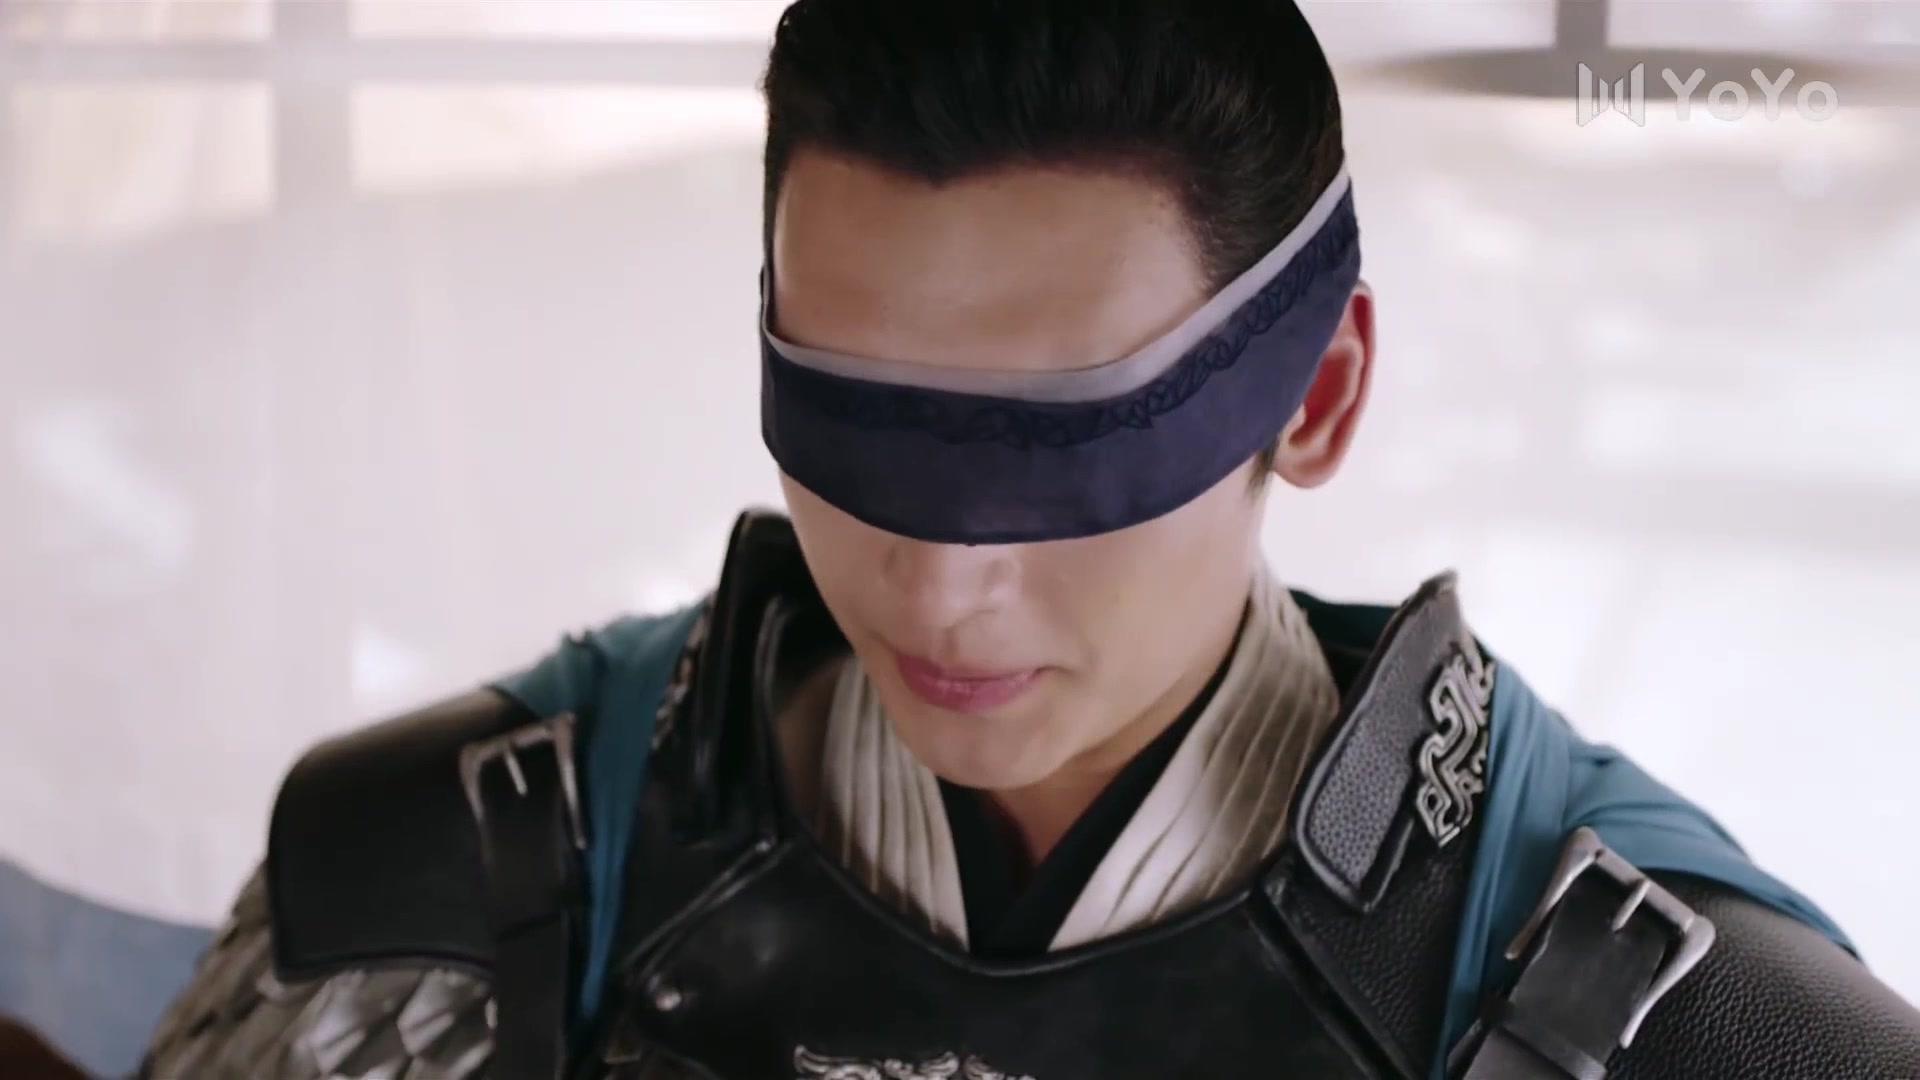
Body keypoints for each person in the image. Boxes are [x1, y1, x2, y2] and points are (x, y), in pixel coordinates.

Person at [139, 2, 1920, 1078]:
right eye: (856, 432)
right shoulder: (454, 891)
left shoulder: (1696, 1036)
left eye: (1067, 456)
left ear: (1314, 397)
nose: (939, 583)